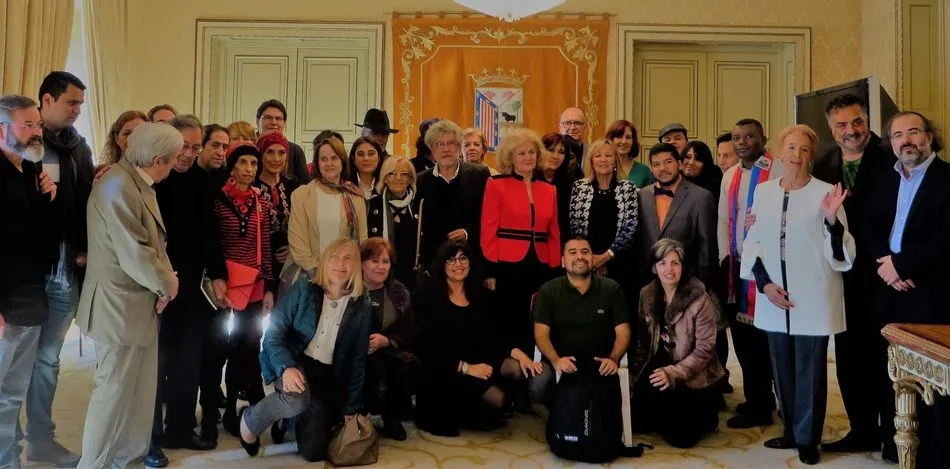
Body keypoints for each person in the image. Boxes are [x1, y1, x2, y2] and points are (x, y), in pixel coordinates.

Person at [740, 124, 854, 465]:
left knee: (810, 370)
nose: (796, 155)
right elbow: (753, 241)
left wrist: (832, 220)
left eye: (804, 149)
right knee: (782, 369)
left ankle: (807, 439)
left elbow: (842, 252)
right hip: (774, 294)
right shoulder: (764, 192)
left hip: (813, 296)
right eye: (791, 147)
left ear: (812, 156)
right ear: (780, 151)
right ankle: (791, 429)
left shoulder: (826, 193)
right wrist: (765, 284)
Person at [75, 122, 181, 469]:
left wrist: (166, 280)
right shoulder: (117, 186)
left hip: (138, 304)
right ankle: (93, 465)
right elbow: (135, 252)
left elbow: (155, 245)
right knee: (114, 395)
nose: (175, 166)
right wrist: (167, 285)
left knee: (138, 396)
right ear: (158, 160)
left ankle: (126, 461)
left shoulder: (136, 182)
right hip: (118, 307)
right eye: (174, 159)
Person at [811, 94, 896, 454]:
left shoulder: (891, 156)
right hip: (840, 278)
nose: (851, 130)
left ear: (867, 121)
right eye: (842, 124)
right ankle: (861, 430)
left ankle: (893, 436)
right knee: (849, 358)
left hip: (885, 275)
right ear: (831, 129)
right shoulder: (822, 165)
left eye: (857, 121)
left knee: (885, 358)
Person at [864, 111, 950, 467]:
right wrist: (887, 266)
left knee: (933, 384)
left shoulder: (947, 178)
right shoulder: (884, 179)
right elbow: (869, 226)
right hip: (888, 290)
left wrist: (903, 265)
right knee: (893, 374)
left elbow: (946, 238)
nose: (906, 140)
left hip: (931, 293)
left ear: (929, 136)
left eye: (913, 132)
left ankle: (936, 454)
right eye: (897, 135)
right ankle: (897, 447)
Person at [238, 238, 371, 461]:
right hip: (294, 361)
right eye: (335, 257)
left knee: (314, 452)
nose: (341, 264)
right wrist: (286, 367)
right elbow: (274, 333)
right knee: (297, 399)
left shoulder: (362, 303)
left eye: (348, 258)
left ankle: (288, 418)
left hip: (329, 377)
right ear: (325, 261)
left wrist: (352, 407)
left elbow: (358, 359)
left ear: (356, 264)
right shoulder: (305, 287)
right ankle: (249, 421)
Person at [25, 71, 94, 467]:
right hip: (31, 270)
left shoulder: (79, 147)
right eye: (71, 102)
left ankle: (40, 438)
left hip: (67, 270)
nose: (77, 110)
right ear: (47, 100)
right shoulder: (25, 145)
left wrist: (83, 249)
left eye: (81, 104)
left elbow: (85, 202)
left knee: (48, 359)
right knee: (16, 360)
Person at [150, 115, 222, 465]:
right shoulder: (152, 179)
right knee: (155, 364)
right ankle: (149, 437)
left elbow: (211, 233)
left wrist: (219, 274)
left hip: (192, 287)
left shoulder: (202, 181)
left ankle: (179, 427)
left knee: (187, 361)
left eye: (196, 147)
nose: (190, 154)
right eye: (184, 146)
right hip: (155, 286)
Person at [0, 94, 59, 469]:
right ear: (1, 130)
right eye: (27, 125)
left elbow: (38, 241)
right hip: (4, 304)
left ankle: (8, 460)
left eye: (38, 124)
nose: (37, 132)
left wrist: (48, 199)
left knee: (13, 392)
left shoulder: (32, 172)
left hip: (31, 299)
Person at [415, 240, 523, 436]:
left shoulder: (479, 294)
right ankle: (466, 410)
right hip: (446, 370)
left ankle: (478, 408)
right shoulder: (431, 298)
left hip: (478, 362)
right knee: (497, 400)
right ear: (442, 264)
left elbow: (493, 336)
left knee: (515, 368)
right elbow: (429, 350)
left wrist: (517, 353)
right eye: (451, 260)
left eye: (463, 258)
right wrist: (467, 368)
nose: (458, 264)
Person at [481, 128, 561, 390]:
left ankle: (532, 387)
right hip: (506, 266)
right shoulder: (496, 184)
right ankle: (510, 384)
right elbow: (488, 229)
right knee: (508, 322)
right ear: (510, 157)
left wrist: (554, 270)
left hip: (540, 265)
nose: (527, 157)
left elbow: (554, 233)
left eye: (531, 152)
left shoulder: (549, 189)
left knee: (534, 323)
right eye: (521, 153)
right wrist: (490, 269)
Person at [717, 118, 784, 429]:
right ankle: (758, 400)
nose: (742, 142)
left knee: (769, 341)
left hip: (769, 268)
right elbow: (723, 220)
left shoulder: (778, 169)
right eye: (737, 137)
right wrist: (724, 257)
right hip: (737, 268)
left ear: (763, 138)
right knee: (744, 342)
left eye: (749, 136)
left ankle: (780, 400)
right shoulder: (730, 175)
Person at [630, 238, 723, 448]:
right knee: (636, 421)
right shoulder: (646, 294)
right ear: (655, 267)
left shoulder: (699, 298)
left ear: (682, 266)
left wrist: (675, 372)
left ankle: (708, 416)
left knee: (681, 438)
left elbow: (705, 349)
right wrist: (634, 379)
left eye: (675, 263)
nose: (669, 269)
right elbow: (644, 344)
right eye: (662, 263)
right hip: (660, 364)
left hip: (692, 371)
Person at [211, 144, 276, 438]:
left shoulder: (261, 202)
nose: (249, 169)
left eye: (253, 163)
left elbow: (266, 247)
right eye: (243, 163)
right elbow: (214, 244)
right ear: (232, 166)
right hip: (226, 286)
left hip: (255, 285)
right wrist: (217, 279)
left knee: (250, 345)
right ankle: (229, 406)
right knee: (227, 346)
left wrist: (270, 288)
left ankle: (250, 406)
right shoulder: (218, 199)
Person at [532, 236, 631, 407]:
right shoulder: (548, 290)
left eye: (585, 252)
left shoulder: (611, 288)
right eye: (573, 252)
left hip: (600, 362)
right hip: (561, 360)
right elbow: (541, 334)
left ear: (593, 259)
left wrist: (613, 358)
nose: (580, 256)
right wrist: (556, 360)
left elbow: (623, 332)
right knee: (539, 383)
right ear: (563, 262)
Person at [287, 138, 367, 282]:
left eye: (334, 158)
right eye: (323, 159)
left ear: (342, 161)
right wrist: (320, 275)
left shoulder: (355, 196)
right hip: (310, 278)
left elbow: (362, 240)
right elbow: (298, 243)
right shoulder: (301, 195)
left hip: (345, 277)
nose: (329, 163)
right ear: (317, 163)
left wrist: (343, 275)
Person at [359, 238, 417, 441]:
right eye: (374, 261)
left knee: (401, 364)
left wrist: (387, 341)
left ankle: (392, 417)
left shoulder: (399, 292)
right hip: (355, 353)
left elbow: (410, 331)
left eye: (385, 261)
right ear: (362, 263)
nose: (381, 267)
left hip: (390, 351)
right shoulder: (349, 290)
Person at [637, 143, 717, 287]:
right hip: (648, 282)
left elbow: (707, 250)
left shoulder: (701, 197)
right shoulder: (642, 195)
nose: (662, 168)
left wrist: (702, 286)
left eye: (668, 162)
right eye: (656, 164)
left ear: (679, 164)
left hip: (687, 283)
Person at [569, 139, 639, 300]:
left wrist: (606, 256)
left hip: (620, 263)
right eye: (598, 155)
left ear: (615, 160)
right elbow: (575, 227)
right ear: (591, 161)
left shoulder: (628, 188)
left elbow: (630, 228)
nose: (603, 159)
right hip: (586, 262)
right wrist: (592, 259)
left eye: (608, 155)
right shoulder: (579, 188)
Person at [416, 119, 490, 266]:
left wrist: (468, 233)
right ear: (432, 150)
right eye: (440, 144)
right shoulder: (421, 180)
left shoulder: (480, 174)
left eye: (451, 143)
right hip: (434, 261)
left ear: (458, 147)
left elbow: (489, 216)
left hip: (470, 258)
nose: (446, 149)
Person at [366, 155, 420, 288]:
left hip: (411, 277)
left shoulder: (419, 205)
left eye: (404, 174)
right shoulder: (371, 205)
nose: (398, 178)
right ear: (385, 178)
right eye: (392, 174)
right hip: (379, 275)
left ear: (410, 179)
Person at [255, 132, 300, 290]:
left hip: (290, 265)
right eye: (270, 152)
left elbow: (304, 226)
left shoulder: (294, 186)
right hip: (258, 266)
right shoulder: (252, 187)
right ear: (261, 155)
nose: (276, 158)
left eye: (281, 153)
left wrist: (293, 249)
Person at [255, 99, 310, 183]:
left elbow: (305, 184)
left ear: (285, 123)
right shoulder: (249, 148)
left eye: (278, 118)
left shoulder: (295, 151)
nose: (274, 122)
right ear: (257, 120)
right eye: (268, 117)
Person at [541, 132, 582, 237]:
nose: (555, 156)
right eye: (550, 150)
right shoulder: (529, 180)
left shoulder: (572, 184)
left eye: (561, 152)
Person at [606, 119, 653, 188]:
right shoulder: (602, 168)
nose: (624, 141)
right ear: (611, 139)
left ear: (633, 141)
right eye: (619, 137)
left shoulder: (644, 171)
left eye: (628, 137)